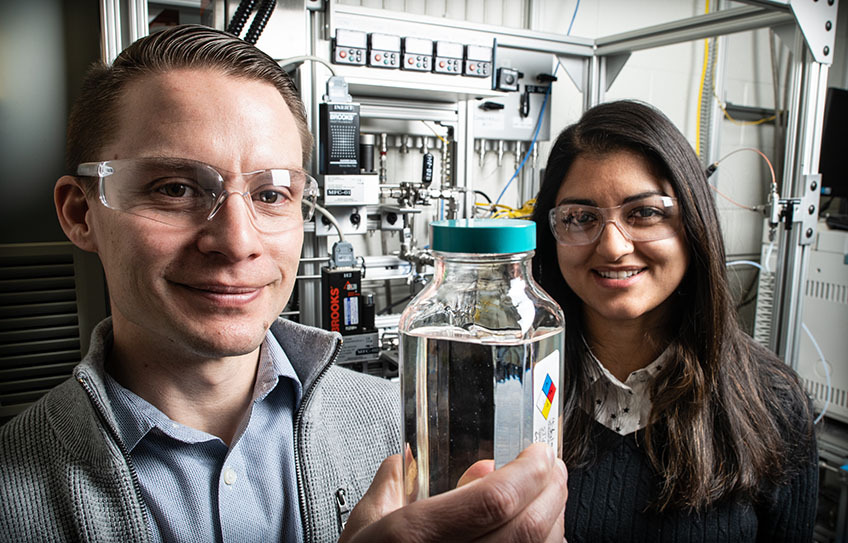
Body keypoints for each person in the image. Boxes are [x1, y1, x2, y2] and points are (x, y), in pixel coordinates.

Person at [0, 24, 567, 543]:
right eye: (175, 188)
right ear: (80, 212)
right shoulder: (14, 495)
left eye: (271, 194)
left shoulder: (401, 424)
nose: (237, 240)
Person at [530, 100, 818, 542]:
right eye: (581, 218)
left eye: (644, 213)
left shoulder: (774, 404)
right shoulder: (518, 388)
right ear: (551, 235)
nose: (612, 248)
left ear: (693, 224)